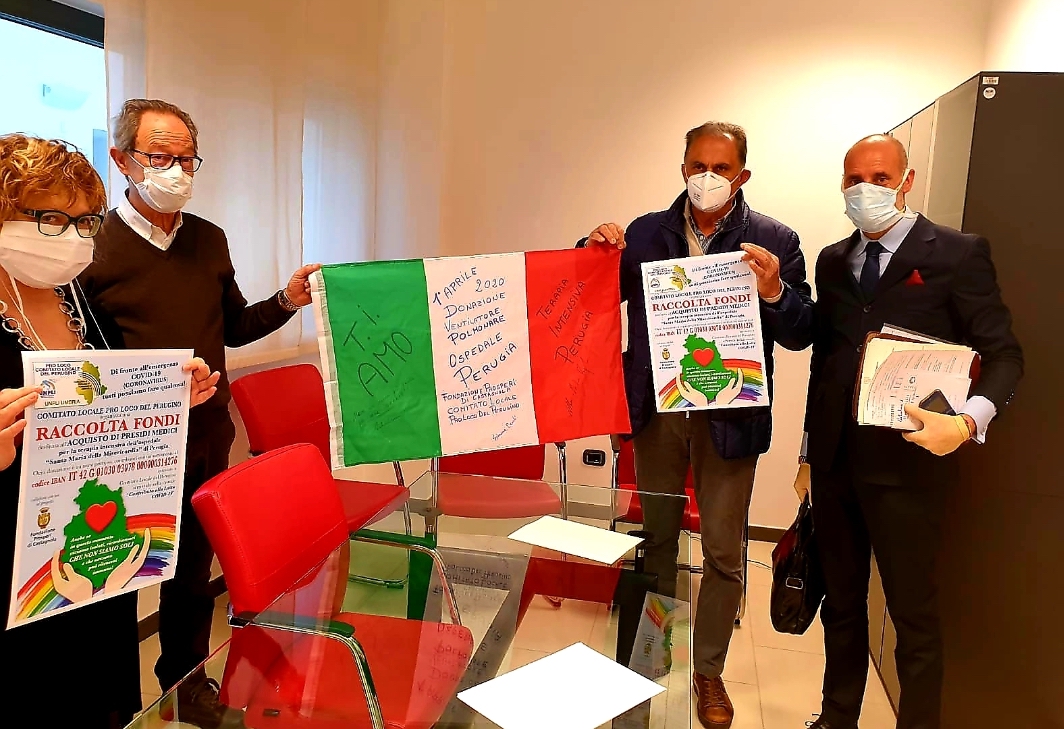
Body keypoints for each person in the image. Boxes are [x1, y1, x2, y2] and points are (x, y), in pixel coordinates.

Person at [79, 99, 321, 726]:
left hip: (207, 433)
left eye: (187, 159)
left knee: (191, 572)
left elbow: (233, 327)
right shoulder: (91, 249)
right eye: (160, 157)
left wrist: (286, 300)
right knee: (118, 577)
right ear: (122, 159)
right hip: (129, 447)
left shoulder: (208, 238)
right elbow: (80, 360)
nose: (177, 171)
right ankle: (122, 704)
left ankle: (185, 685)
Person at [583, 122, 814, 729]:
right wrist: (591, 244)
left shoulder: (774, 239)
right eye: (697, 166)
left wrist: (774, 290)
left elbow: (801, 332)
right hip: (657, 414)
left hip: (730, 416)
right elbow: (591, 293)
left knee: (723, 552)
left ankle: (708, 670)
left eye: (721, 167)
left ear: (742, 175)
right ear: (682, 168)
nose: (707, 177)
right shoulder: (645, 233)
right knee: (657, 539)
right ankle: (653, 652)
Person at [798, 134, 1023, 729]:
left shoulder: (957, 253)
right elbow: (827, 360)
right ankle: (836, 718)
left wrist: (970, 421)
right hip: (836, 464)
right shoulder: (832, 260)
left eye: (879, 177)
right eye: (853, 178)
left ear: (907, 180)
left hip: (910, 468)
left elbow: (1005, 355)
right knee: (841, 606)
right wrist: (807, 453)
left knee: (913, 618)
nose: (864, 189)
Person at [0, 133, 218, 727]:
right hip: (15, 566)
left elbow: (105, 399)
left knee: (104, 697)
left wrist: (169, 398)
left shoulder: (78, 300)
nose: (71, 237)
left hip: (93, 546)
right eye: (49, 218)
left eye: (84, 222)